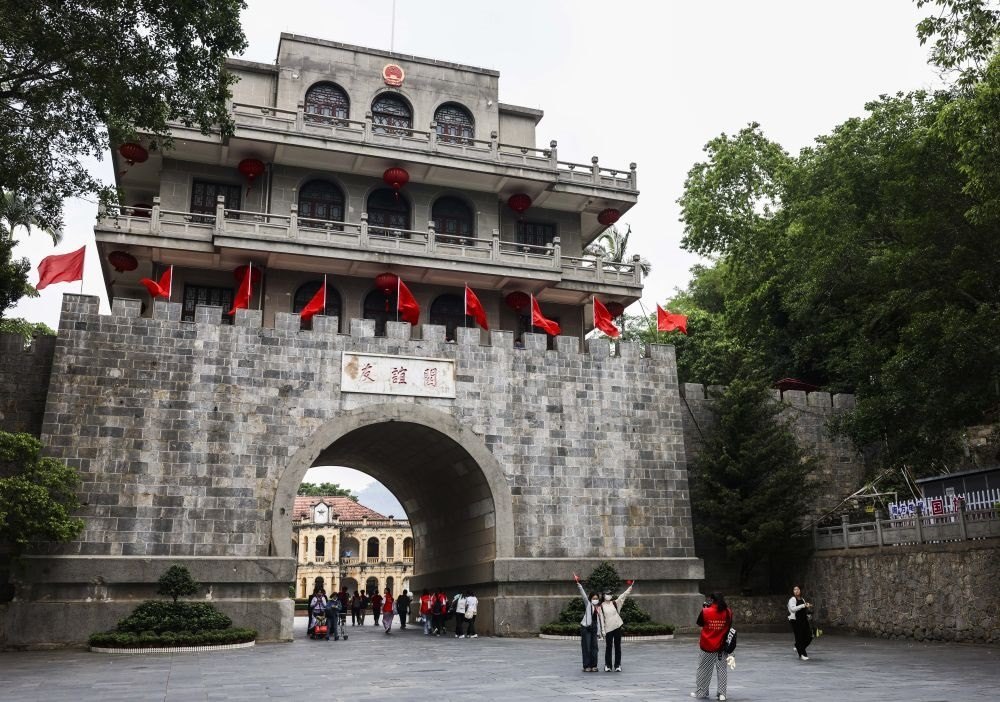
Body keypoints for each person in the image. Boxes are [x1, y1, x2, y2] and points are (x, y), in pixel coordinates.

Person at [691, 592, 733, 701]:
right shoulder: (728, 612)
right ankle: (722, 694)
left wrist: (706, 608)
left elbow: (700, 623)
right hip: (722, 646)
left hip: (707, 645)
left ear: (712, 600)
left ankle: (702, 692)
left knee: (704, 669)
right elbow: (729, 626)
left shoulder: (706, 611)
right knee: (722, 669)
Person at [597, 579, 634, 672]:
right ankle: (608, 665)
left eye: (610, 594)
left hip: (617, 626)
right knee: (608, 647)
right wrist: (603, 631)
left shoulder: (614, 603)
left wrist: (629, 588)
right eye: (607, 594)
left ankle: (617, 665)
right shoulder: (601, 606)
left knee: (618, 647)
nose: (609, 595)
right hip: (608, 629)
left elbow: (622, 596)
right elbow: (601, 619)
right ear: (603, 595)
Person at [573, 574, 600, 672]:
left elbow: (600, 621)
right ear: (590, 599)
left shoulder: (599, 608)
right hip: (586, 628)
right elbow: (583, 595)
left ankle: (594, 665)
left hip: (594, 628)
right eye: (594, 598)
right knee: (587, 647)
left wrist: (600, 632)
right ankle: (586, 666)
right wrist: (579, 584)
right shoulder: (588, 604)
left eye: (596, 598)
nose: (595, 600)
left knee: (595, 648)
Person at [788, 585, 813, 660]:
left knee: (809, 636)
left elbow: (803, 610)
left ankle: (798, 646)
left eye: (798, 589)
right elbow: (792, 609)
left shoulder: (802, 599)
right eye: (794, 589)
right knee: (799, 638)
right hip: (796, 621)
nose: (796, 591)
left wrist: (808, 613)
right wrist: (803, 605)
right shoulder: (792, 599)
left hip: (804, 620)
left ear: (800, 590)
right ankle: (802, 654)